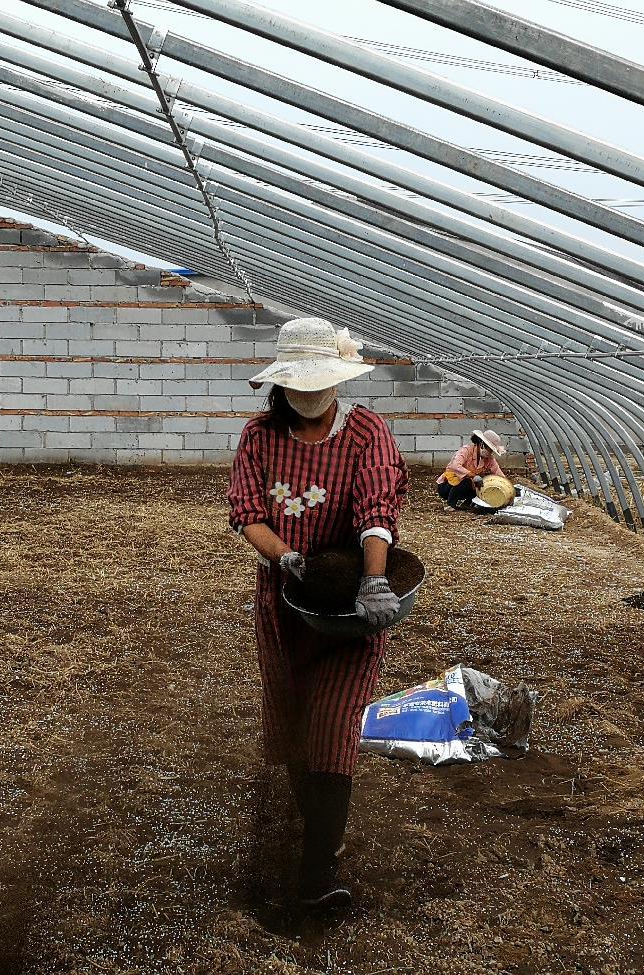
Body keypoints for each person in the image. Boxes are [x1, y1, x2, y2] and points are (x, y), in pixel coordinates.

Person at [228, 317, 409, 913]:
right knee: (289, 722)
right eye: (300, 387)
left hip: (351, 604)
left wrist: (377, 580)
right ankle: (281, 838)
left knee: (333, 723)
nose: (311, 397)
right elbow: (248, 513)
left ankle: (318, 869)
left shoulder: (366, 434)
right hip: (286, 601)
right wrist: (287, 557)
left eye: (322, 385)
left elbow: (376, 508)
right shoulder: (259, 436)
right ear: (280, 386)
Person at [436, 429, 507, 511]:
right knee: (468, 481)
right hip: (447, 486)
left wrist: (507, 486)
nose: (490, 453)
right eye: (490, 449)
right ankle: (450, 504)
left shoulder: (489, 459)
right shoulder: (466, 450)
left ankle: (467, 503)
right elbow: (454, 465)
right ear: (482, 444)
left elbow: (498, 473)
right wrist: (472, 475)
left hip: (463, 488)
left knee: (482, 485)